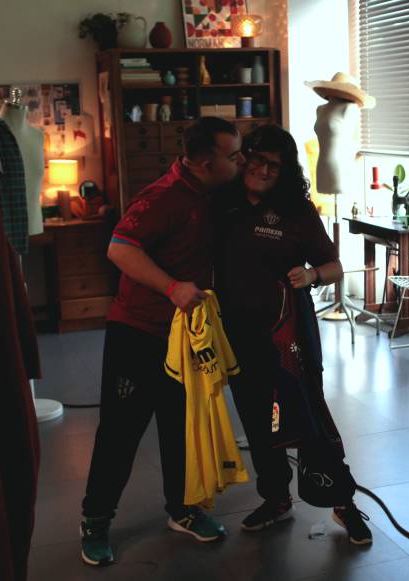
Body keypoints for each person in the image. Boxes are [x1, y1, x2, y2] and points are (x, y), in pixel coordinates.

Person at [79, 117, 245, 567]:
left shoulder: (214, 192)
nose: (241, 161)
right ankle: (95, 520)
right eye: (233, 156)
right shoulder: (161, 198)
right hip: (139, 332)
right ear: (206, 163)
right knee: (121, 430)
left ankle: (184, 509)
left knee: (181, 425)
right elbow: (119, 248)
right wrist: (172, 288)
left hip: (186, 337)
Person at [214, 124, 373, 545]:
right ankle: (276, 498)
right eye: (258, 159)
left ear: (284, 172)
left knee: (307, 416)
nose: (264, 170)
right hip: (238, 334)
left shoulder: (296, 212)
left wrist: (313, 274)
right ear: (243, 156)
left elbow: (334, 266)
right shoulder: (223, 204)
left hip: (289, 337)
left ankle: (343, 504)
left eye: (275, 165)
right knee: (256, 416)